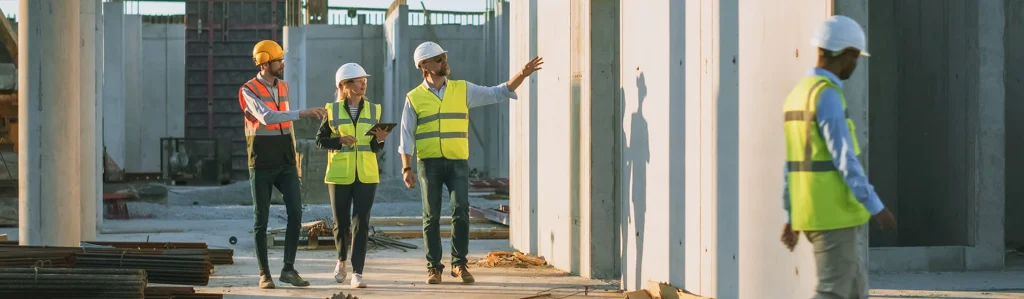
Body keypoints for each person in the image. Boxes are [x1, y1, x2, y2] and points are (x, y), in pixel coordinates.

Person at [398, 41, 543, 284]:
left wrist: (522, 74)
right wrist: (406, 167)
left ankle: (459, 264)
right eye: (439, 59)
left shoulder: (462, 89)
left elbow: (498, 91)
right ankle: (434, 267)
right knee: (431, 216)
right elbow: (406, 135)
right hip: (429, 164)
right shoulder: (414, 98)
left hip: (457, 163)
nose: (445, 62)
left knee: (460, 212)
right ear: (424, 66)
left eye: (444, 57)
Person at [780, 15, 897, 299]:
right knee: (832, 292)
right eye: (855, 57)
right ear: (845, 54)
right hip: (832, 214)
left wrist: (791, 214)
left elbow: (791, 166)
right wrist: (876, 206)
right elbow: (844, 158)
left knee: (855, 291)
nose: (855, 65)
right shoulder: (827, 96)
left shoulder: (798, 94)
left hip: (814, 211)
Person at [238, 39, 327, 289]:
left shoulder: (284, 86)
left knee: (296, 213)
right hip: (262, 162)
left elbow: (286, 127)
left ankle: (288, 269)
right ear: (265, 63)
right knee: (261, 218)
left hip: (286, 161)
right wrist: (303, 113)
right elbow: (266, 117)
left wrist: (295, 160)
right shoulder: (248, 90)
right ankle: (264, 273)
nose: (282, 64)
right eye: (278, 60)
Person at [315, 63, 390, 288]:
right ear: (345, 86)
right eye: (358, 80)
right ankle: (341, 260)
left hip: (367, 174)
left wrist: (381, 138)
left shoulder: (375, 109)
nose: (363, 83)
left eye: (364, 79)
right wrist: (339, 140)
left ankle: (358, 272)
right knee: (341, 223)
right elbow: (320, 141)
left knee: (362, 223)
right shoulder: (333, 110)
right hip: (339, 175)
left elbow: (376, 148)